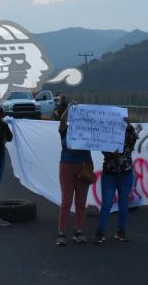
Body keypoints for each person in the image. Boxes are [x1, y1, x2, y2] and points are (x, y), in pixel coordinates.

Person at [95, 112, 137, 244]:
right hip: (110, 174)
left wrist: (128, 125)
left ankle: (121, 231)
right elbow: (103, 149)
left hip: (125, 174)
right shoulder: (107, 135)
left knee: (123, 205)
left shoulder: (129, 133)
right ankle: (101, 232)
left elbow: (134, 139)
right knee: (107, 204)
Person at [56, 103, 93, 245]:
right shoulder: (65, 130)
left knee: (80, 201)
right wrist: (69, 108)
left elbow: (103, 137)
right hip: (67, 166)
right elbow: (62, 122)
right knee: (66, 201)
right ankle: (61, 232)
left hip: (84, 165)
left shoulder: (89, 130)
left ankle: (78, 231)